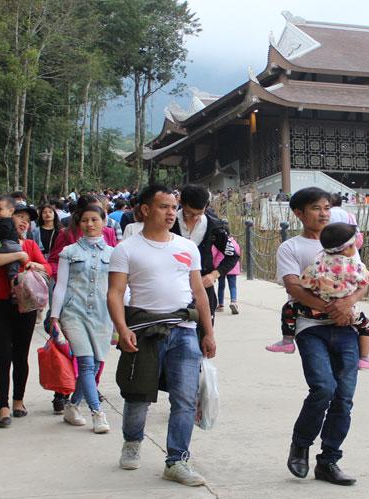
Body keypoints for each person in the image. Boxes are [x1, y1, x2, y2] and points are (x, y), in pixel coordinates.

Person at [107, 184, 216, 487]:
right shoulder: (126, 249)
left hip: (184, 330)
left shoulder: (186, 247)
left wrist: (207, 332)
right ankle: (132, 441)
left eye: (173, 207)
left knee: (184, 398)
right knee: (138, 395)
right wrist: (122, 328)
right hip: (144, 332)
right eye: (164, 207)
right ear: (145, 210)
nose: (171, 213)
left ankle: (176, 460)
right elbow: (115, 294)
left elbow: (199, 293)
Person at [275, 187, 364, 486]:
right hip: (310, 328)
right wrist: (331, 306)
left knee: (344, 397)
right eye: (316, 208)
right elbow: (293, 287)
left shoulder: (343, 239)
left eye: (327, 207)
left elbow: (360, 279)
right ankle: (301, 444)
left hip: (346, 327)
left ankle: (329, 461)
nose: (324, 213)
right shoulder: (291, 247)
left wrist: (347, 305)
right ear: (299, 213)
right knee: (323, 387)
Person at [0, 196, 49, 427]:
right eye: (20, 217)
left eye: (27, 220)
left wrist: (34, 264)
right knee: (3, 358)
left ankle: (18, 400)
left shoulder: (30, 245)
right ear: (9, 217)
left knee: (20, 355)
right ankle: (3, 406)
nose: (23, 222)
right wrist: (19, 256)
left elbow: (47, 266)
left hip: (24, 306)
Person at [48, 202, 113, 433]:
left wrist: (123, 320)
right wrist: (54, 317)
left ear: (104, 223)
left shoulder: (114, 254)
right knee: (85, 363)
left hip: (103, 315)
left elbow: (119, 290)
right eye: (85, 220)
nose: (89, 224)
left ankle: (72, 405)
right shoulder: (69, 252)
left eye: (94, 220)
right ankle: (97, 413)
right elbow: (61, 285)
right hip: (73, 313)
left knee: (95, 365)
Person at [298, 222, 369, 370]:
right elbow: (366, 280)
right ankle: (364, 357)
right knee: (365, 325)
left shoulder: (317, 263)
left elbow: (304, 282)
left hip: (316, 311)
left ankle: (287, 339)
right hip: (348, 313)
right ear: (347, 249)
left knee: (289, 309)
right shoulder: (355, 266)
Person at [171, 184, 239, 322]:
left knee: (204, 335)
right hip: (172, 290)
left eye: (199, 213)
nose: (194, 218)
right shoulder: (169, 224)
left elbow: (232, 255)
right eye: (189, 213)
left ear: (206, 206)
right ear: (181, 203)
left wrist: (214, 274)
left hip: (203, 288)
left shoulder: (214, 226)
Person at [212, 236, 241, 315]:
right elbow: (237, 254)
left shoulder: (219, 242)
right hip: (232, 267)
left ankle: (220, 304)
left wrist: (212, 267)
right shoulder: (235, 243)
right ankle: (233, 301)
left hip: (221, 267)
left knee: (221, 286)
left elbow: (213, 254)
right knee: (233, 286)